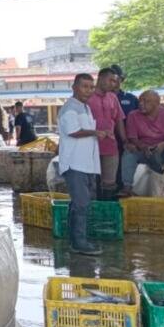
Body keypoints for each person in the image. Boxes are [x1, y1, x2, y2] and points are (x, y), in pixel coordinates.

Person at [57, 74, 104, 256]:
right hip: (74, 163)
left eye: (91, 87)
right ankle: (79, 243)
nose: (88, 90)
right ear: (74, 87)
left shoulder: (85, 107)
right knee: (82, 203)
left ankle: (75, 239)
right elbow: (74, 131)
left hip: (86, 163)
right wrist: (96, 132)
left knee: (80, 202)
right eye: (84, 86)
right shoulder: (70, 108)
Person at [122, 90, 164, 200]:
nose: (141, 104)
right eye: (140, 101)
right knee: (129, 152)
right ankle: (127, 187)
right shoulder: (133, 115)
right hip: (143, 151)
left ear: (157, 103)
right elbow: (132, 137)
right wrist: (143, 147)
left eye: (146, 101)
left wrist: (161, 146)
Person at [88, 68, 126, 199]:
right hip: (89, 146)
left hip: (110, 145)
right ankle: (91, 214)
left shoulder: (113, 97)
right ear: (100, 78)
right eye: (111, 80)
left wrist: (125, 140)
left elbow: (119, 119)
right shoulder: (86, 96)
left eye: (115, 81)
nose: (113, 84)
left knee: (109, 183)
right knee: (91, 182)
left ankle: (106, 213)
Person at [111, 65, 139, 196]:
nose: (114, 81)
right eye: (110, 78)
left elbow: (141, 120)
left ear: (122, 80)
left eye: (117, 78)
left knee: (123, 176)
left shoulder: (132, 99)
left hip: (127, 145)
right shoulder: (96, 98)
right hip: (104, 144)